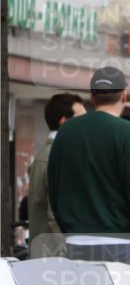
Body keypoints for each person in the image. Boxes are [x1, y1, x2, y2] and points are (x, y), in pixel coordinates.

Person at [47, 66, 130, 269]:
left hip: (77, 243)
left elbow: (53, 185)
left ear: (92, 96)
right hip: (122, 246)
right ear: (124, 95)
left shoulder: (66, 132)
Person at [28, 93, 85, 241]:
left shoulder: (48, 154)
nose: (86, 124)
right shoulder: (58, 156)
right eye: (82, 119)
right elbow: (55, 214)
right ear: (64, 122)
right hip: (56, 255)